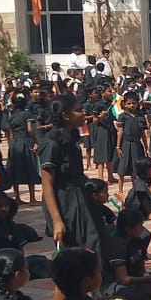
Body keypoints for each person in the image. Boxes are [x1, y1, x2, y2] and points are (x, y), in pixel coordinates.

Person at [40, 94, 102, 253]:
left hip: (80, 197)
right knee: (73, 250)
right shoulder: (52, 144)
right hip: (64, 202)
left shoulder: (71, 139)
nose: (83, 113)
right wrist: (57, 221)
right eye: (78, 110)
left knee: (93, 243)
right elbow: (47, 185)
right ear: (65, 116)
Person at [4, 91, 40, 204]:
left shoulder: (11, 115)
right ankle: (32, 198)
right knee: (30, 167)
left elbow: (9, 133)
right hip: (25, 141)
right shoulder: (27, 114)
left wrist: (10, 145)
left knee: (14, 169)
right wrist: (35, 141)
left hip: (14, 143)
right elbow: (30, 129)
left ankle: (17, 197)